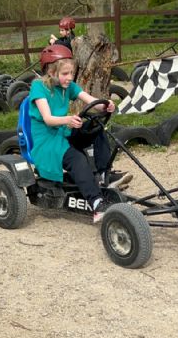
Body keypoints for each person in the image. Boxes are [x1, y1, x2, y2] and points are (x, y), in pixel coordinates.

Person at [29, 45, 132, 223]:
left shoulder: (68, 86)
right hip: (47, 141)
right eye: (65, 73)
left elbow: (90, 100)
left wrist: (105, 104)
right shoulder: (39, 87)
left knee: (96, 127)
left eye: (71, 73)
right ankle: (96, 204)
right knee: (77, 159)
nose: (70, 77)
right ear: (51, 72)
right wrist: (68, 120)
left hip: (63, 132)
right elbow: (48, 119)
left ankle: (102, 175)